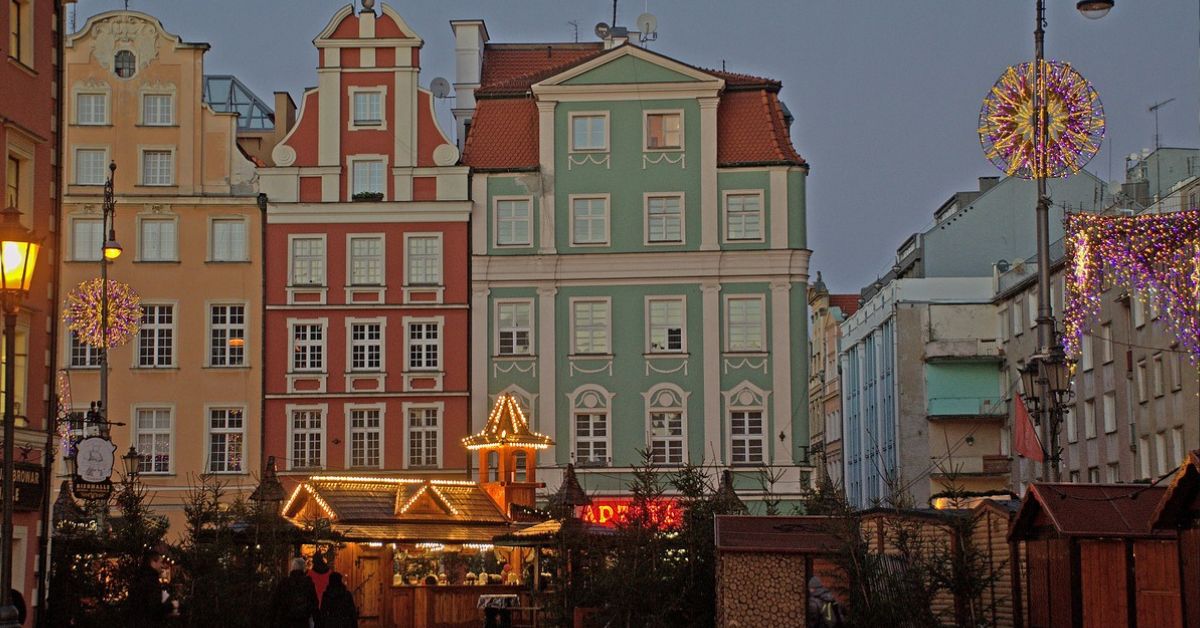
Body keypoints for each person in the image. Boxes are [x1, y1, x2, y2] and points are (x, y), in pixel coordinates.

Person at [127, 551, 171, 626]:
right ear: (153, 562)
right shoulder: (151, 581)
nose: (162, 566)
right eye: (160, 562)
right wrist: (171, 606)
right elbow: (155, 609)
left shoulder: (138, 578)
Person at [273, 557, 318, 628]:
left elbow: (275, 603)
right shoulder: (308, 584)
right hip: (303, 621)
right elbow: (314, 604)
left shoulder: (284, 583)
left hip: (286, 621)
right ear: (303, 568)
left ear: (292, 568)